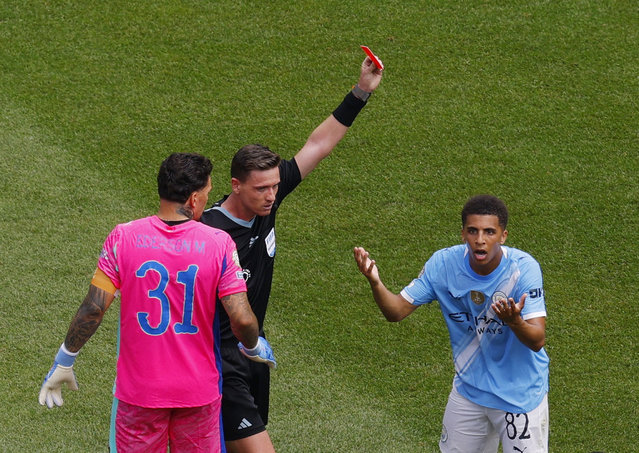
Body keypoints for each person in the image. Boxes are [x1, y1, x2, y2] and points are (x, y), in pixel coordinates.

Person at [200, 52, 384, 452]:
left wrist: (361, 91)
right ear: (235, 185)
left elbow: (318, 145)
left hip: (253, 352)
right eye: (260, 189)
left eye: (273, 187)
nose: (271, 195)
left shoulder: (269, 200)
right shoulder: (210, 233)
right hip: (219, 359)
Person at [39, 153, 276, 452]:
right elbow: (241, 318)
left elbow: (94, 307)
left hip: (139, 394)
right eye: (206, 194)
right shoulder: (218, 243)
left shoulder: (123, 238)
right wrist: (254, 347)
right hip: (198, 394)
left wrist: (65, 359)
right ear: (192, 199)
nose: (207, 201)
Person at [353, 194, 549, 453]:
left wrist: (514, 322)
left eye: (489, 232)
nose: (480, 240)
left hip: (519, 397)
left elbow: (537, 340)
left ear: (503, 236)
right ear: (462, 234)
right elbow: (396, 311)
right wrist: (376, 283)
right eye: (473, 231)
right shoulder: (443, 265)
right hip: (470, 392)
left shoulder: (523, 270)